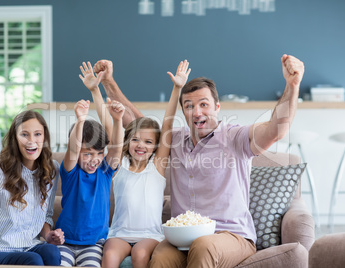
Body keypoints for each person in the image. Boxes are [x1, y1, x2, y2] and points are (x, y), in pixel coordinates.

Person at [93, 54, 305, 267]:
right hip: (180, 238)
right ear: (183, 111)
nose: (197, 112)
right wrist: (108, 82)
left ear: (217, 107)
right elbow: (138, 124)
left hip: (230, 236)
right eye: (189, 106)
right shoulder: (175, 141)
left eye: (204, 104)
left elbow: (274, 130)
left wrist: (292, 86)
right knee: (160, 258)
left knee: (203, 246)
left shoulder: (235, 137)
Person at [95, 60, 190, 268]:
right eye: (136, 139)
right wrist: (96, 91)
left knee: (139, 254)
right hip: (119, 234)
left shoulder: (156, 166)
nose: (141, 146)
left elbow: (167, 123)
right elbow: (110, 127)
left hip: (149, 235)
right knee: (110, 257)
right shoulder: (118, 163)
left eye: (148, 142)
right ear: (128, 140)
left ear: (156, 146)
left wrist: (177, 88)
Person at [0, 110, 65, 266]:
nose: (31, 141)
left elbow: (45, 215)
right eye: (24, 134)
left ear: (44, 138)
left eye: (37, 134)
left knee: (51, 251)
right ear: (15, 138)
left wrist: (48, 235)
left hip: (28, 246)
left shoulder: (51, 169)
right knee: (33, 260)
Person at [55, 66, 125, 268]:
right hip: (65, 242)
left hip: (93, 244)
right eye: (88, 154)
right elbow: (73, 149)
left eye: (99, 153)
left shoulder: (105, 172)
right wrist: (80, 120)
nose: (95, 159)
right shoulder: (70, 172)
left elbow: (116, 148)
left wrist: (118, 120)